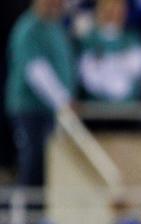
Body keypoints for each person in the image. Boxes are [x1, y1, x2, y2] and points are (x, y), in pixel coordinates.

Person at [5, 0, 76, 187]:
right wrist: (61, 99)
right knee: (32, 163)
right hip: (30, 109)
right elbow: (35, 70)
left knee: (50, 167)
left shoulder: (55, 28)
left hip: (51, 110)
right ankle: (26, 213)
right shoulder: (29, 29)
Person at [77, 0, 141, 104]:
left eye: (118, 9)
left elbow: (138, 73)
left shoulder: (134, 40)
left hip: (130, 113)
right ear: (99, 10)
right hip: (94, 113)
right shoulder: (85, 41)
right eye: (108, 9)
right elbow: (89, 80)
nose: (113, 14)